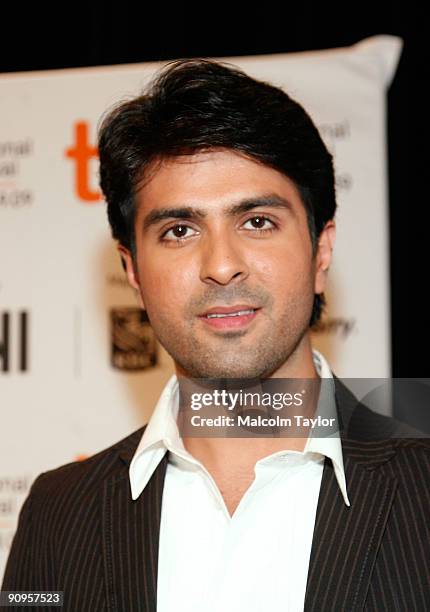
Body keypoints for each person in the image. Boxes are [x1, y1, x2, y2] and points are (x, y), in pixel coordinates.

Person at [1, 58, 429, 612]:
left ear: (320, 251)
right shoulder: (58, 514)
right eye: (179, 231)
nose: (222, 265)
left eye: (256, 222)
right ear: (132, 272)